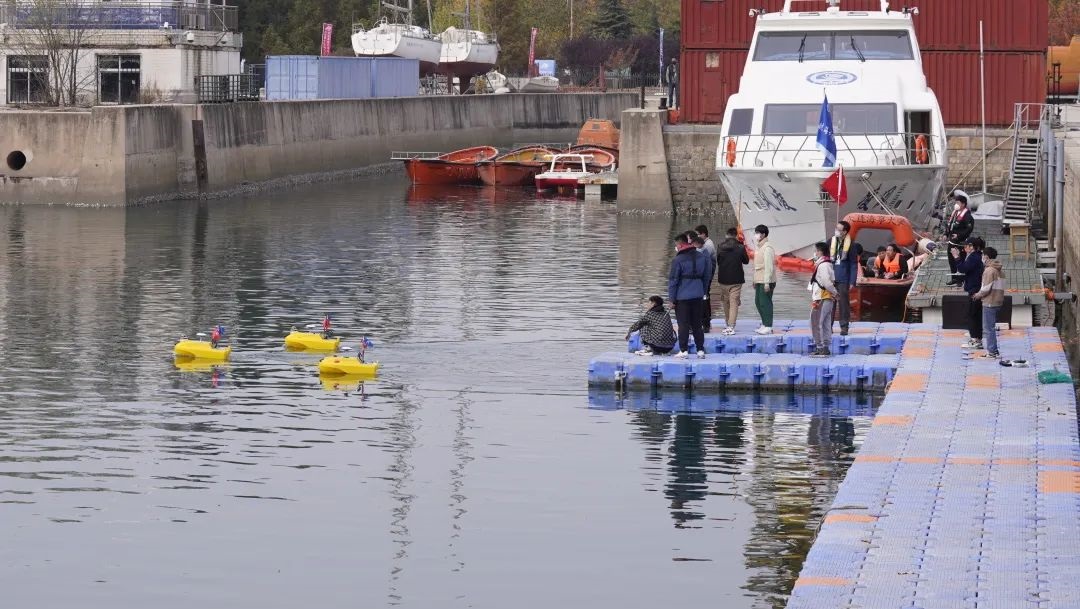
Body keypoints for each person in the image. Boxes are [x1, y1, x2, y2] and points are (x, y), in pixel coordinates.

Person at [668, 232, 713, 358]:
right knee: (697, 324)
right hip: (698, 295)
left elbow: (673, 281)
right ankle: (700, 350)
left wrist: (671, 299)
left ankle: (683, 350)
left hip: (682, 297)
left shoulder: (677, 260)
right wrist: (703, 291)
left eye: (676, 245)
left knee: (683, 324)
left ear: (680, 245)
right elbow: (707, 276)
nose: (676, 247)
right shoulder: (702, 256)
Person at [952, 236, 985, 349]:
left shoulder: (974, 257)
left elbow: (963, 269)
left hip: (974, 290)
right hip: (976, 288)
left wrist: (956, 257)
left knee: (972, 315)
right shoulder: (977, 256)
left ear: (971, 247)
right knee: (976, 315)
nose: (964, 248)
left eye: (966, 246)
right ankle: (977, 338)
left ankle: (975, 339)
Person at [715, 227, 749, 335]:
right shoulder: (740, 247)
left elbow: (718, 261)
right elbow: (746, 261)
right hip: (736, 279)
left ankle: (727, 323)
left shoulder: (720, 246)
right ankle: (731, 325)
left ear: (727, 235)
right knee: (734, 302)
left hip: (723, 278)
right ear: (736, 235)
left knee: (726, 302)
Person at [973, 246, 1005, 359]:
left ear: (986, 257)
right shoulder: (1000, 270)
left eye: (982, 256)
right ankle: (994, 350)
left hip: (990, 301)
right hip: (998, 301)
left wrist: (977, 295)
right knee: (991, 327)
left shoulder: (989, 270)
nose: (982, 258)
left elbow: (986, 288)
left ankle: (992, 352)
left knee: (988, 328)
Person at [829, 221, 861, 336]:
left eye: (839, 229)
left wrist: (852, 281)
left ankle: (844, 327)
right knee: (829, 303)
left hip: (843, 278)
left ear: (845, 232)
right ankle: (828, 326)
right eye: (836, 228)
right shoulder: (831, 241)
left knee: (843, 304)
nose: (836, 231)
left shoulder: (851, 245)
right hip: (831, 278)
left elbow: (853, 263)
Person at [809, 242, 839, 357]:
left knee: (816, 323)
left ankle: (820, 347)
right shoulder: (827, 264)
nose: (815, 253)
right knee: (825, 323)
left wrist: (835, 292)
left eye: (816, 251)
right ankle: (825, 347)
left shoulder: (823, 265)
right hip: (826, 297)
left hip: (822, 297)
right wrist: (834, 293)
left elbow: (826, 282)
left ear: (821, 252)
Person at [752, 224, 777, 334]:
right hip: (759, 279)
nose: (756, 235)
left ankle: (768, 325)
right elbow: (757, 266)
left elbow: (768, 267)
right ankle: (764, 323)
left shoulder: (767, 248)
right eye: (756, 233)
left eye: (758, 233)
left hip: (766, 280)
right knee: (758, 302)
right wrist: (754, 280)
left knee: (765, 303)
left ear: (763, 234)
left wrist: (767, 283)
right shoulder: (759, 247)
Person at [945, 194, 974, 285]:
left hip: (960, 243)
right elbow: (950, 224)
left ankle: (960, 280)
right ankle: (954, 278)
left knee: (960, 260)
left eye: (958, 202)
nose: (956, 204)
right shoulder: (955, 213)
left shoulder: (967, 216)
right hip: (951, 242)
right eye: (956, 202)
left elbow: (969, 229)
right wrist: (946, 234)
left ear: (963, 204)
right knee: (951, 261)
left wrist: (958, 235)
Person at [691, 231, 716, 331]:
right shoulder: (703, 253)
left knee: (702, 304)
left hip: (701, 285)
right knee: (703, 303)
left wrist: (704, 287)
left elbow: (706, 272)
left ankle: (705, 325)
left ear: (697, 244)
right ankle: (705, 325)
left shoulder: (702, 255)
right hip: (702, 284)